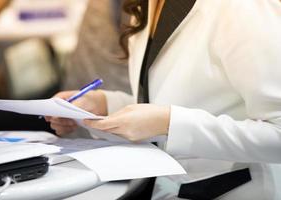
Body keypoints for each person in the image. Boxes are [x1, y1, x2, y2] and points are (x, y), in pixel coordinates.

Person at [46, 0, 281, 199]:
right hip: (167, 185)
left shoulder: (239, 8)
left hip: (234, 189)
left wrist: (169, 123)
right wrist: (104, 104)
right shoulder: (147, 4)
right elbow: (179, 97)